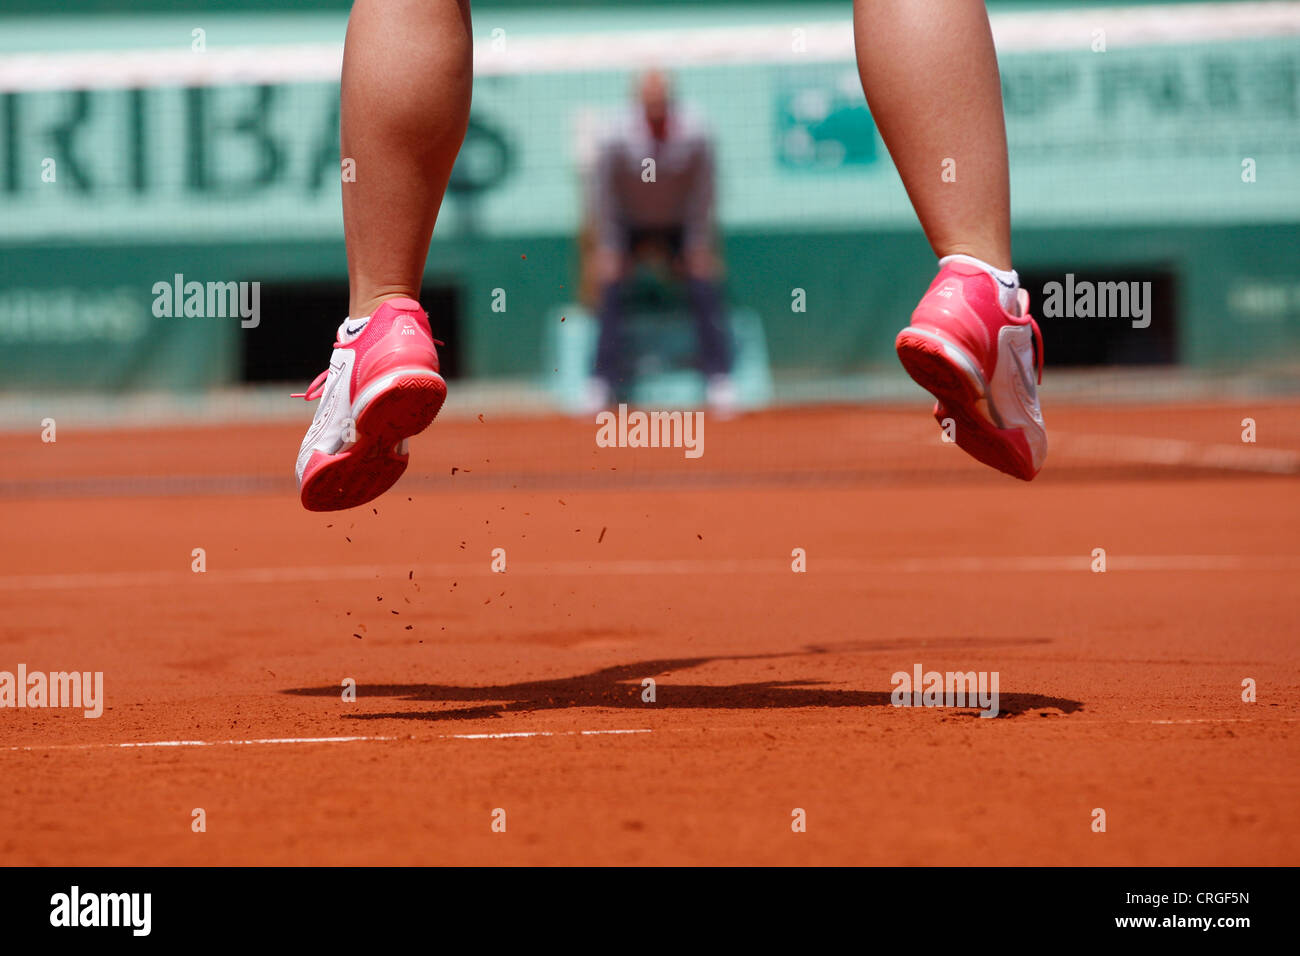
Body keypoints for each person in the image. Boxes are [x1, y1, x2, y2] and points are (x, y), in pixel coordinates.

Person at [293, 0, 1045, 512]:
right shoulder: (620, 139)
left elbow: (699, 201)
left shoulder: (691, 135)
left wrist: (696, 252)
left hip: (678, 227)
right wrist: (609, 258)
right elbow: (604, 205)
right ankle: (979, 283)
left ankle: (381, 321)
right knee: (615, 297)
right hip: (631, 226)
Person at [583, 70, 735, 416]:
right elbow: (603, 194)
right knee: (609, 288)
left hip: (679, 226)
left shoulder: (698, 132)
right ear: (637, 101)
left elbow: (704, 192)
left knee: (705, 284)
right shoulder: (613, 134)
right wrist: (607, 247)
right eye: (648, 99)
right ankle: (601, 382)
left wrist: (698, 244)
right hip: (628, 226)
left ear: (671, 99)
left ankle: (720, 380)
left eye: (661, 99)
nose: (654, 105)